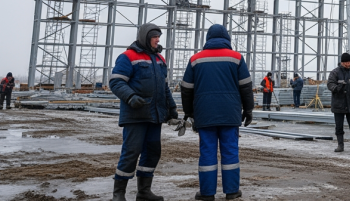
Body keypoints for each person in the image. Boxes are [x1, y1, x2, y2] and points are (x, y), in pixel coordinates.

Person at [180, 24, 254, 201]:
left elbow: (186, 88)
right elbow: (246, 86)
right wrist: (248, 109)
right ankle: (231, 191)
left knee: (207, 152)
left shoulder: (195, 59)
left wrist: (189, 112)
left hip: (205, 114)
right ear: (227, 39)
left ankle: (207, 193)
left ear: (207, 39)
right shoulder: (236, 58)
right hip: (230, 113)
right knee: (230, 151)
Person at [109, 23, 177, 201]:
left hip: (155, 116)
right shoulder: (128, 57)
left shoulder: (159, 59)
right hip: (135, 115)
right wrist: (131, 97)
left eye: (158, 36)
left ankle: (144, 192)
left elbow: (164, 87)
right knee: (131, 152)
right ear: (146, 37)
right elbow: (116, 82)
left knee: (153, 152)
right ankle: (119, 194)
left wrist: (172, 108)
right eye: (155, 36)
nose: (158, 39)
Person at [326, 52, 350, 152]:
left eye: (349, 62)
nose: (348, 64)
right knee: (339, 126)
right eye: (346, 62)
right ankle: (340, 146)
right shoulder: (335, 73)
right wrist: (338, 88)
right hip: (338, 104)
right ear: (342, 63)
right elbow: (330, 85)